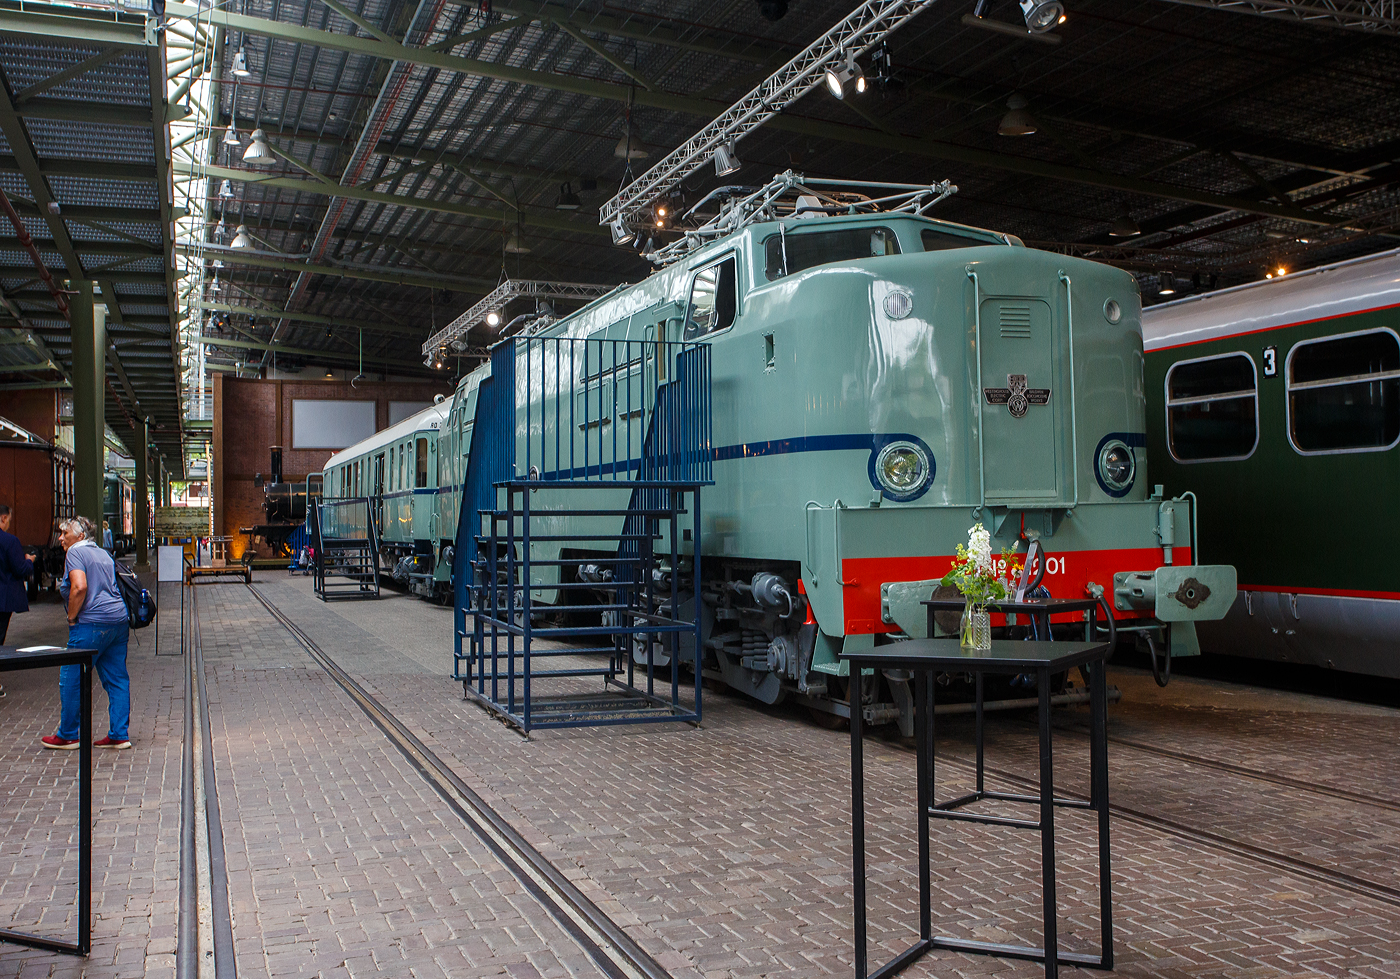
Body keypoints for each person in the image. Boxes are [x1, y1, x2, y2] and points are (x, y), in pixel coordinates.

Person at [43, 516, 132, 750]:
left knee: (71, 677)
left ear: (80, 536)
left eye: (65, 533)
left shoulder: (75, 553)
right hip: (118, 621)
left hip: (91, 623)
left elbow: (79, 587)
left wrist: (71, 618)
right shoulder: (103, 553)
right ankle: (119, 734)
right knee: (117, 678)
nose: (61, 538)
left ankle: (69, 734)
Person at [0, 503, 34, 645]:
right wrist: (29, 561)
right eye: (9, 520)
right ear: (3, 518)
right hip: (3, 599)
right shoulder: (10, 541)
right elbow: (20, 569)